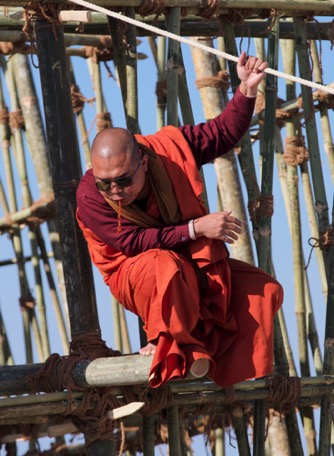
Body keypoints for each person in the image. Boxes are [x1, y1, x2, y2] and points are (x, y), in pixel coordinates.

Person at [76, 52, 283, 388]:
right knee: (163, 265)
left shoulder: (168, 152)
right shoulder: (89, 194)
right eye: (106, 183)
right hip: (134, 274)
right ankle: (166, 345)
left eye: (124, 180)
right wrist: (196, 228)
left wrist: (246, 90)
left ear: (142, 161)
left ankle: (217, 367)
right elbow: (131, 243)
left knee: (263, 290)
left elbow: (221, 134)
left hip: (186, 261)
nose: (115, 190)